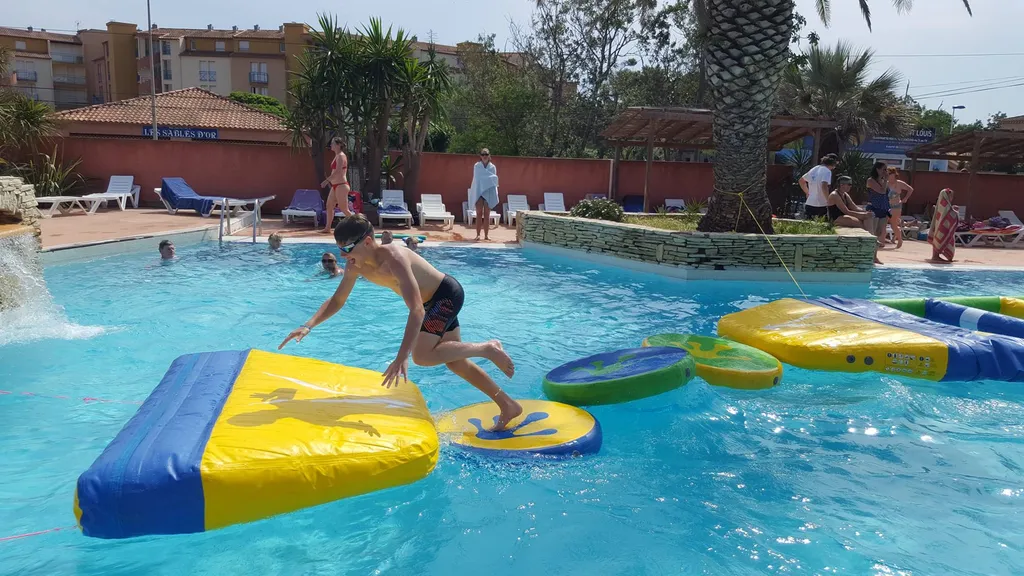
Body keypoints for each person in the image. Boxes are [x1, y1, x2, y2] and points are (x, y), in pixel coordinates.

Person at [280, 214, 523, 430]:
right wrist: (308, 325)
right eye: (340, 249)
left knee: (422, 355)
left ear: (366, 242)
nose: (344, 256)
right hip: (432, 303)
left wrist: (402, 357)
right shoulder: (356, 265)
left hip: (445, 295)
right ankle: (507, 404)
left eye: (348, 248)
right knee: (456, 363)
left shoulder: (394, 259)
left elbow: (416, 309)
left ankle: (487, 349)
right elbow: (338, 300)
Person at [321, 137, 352, 234]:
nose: (331, 145)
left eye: (333, 143)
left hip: (341, 185)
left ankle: (359, 226)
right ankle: (327, 228)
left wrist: (326, 181)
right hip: (336, 186)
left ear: (338, 145)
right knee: (329, 206)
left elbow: (338, 171)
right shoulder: (337, 155)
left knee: (344, 209)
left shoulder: (341, 156)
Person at [469, 149, 499, 241]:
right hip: (479, 192)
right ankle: (478, 235)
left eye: (486, 154)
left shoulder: (492, 167)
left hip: (489, 191)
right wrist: (487, 180)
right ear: (480, 156)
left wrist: (487, 180)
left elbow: (493, 179)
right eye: (483, 154)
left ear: (489, 155)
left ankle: (486, 235)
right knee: (478, 214)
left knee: (487, 215)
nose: (484, 156)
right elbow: (478, 178)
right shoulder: (477, 166)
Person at [799, 154, 838, 219]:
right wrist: (828, 200)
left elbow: (801, 181)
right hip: (821, 204)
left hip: (809, 203)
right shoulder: (827, 171)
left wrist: (807, 193)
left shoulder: (814, 169)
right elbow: (824, 186)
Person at [886, 167, 914, 248]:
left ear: (894, 174)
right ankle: (886, 240)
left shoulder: (899, 183)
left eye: (889, 174)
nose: (888, 176)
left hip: (896, 206)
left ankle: (900, 241)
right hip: (887, 206)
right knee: (883, 223)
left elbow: (910, 189)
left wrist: (905, 198)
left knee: (893, 224)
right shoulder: (886, 183)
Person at [928, 188, 958, 263]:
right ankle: (935, 256)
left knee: (937, 239)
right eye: (951, 196)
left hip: (939, 225)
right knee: (940, 238)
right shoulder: (945, 204)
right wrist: (955, 212)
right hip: (943, 226)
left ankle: (936, 255)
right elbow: (948, 214)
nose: (952, 198)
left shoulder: (941, 204)